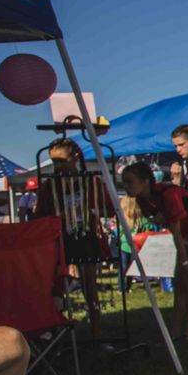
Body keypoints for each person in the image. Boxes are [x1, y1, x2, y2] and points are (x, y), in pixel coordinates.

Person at [120, 163, 188, 341]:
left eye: (129, 182)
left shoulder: (169, 194)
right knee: (180, 285)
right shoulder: (143, 199)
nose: (125, 186)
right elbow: (170, 227)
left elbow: (178, 230)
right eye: (123, 182)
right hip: (186, 238)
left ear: (145, 181)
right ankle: (176, 331)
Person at [36, 139, 113, 337]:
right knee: (55, 285)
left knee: (89, 285)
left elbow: (108, 206)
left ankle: (96, 330)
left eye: (61, 161)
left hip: (86, 237)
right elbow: (41, 215)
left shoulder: (91, 182)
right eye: (54, 162)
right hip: (60, 239)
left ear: (75, 158)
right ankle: (55, 329)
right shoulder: (49, 186)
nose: (58, 166)